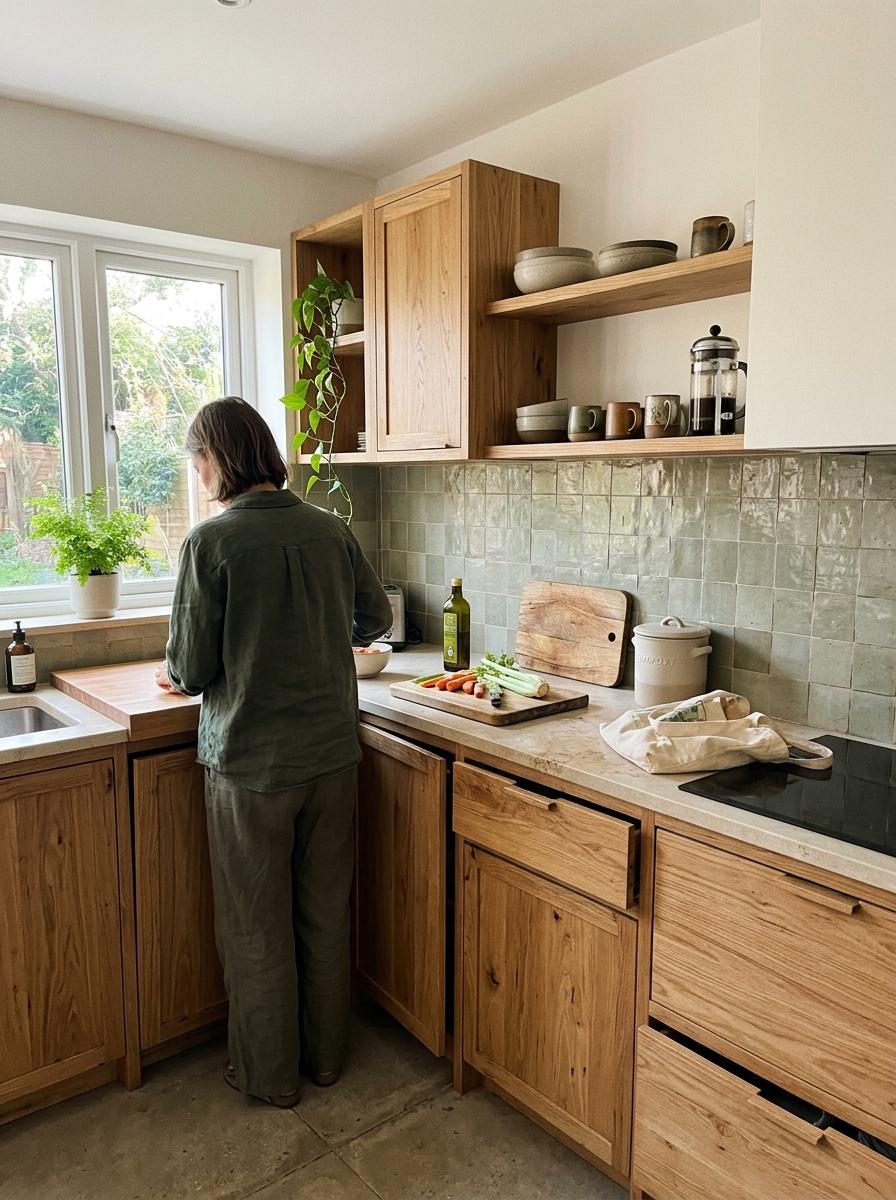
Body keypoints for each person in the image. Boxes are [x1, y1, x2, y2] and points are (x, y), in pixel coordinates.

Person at [156, 395, 392, 1108]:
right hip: (330, 754)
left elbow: (191, 670)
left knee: (255, 922)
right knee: (324, 912)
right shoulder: (329, 528)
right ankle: (325, 1059)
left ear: (216, 458)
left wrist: (175, 671)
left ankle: (269, 1077)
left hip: (251, 765)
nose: (195, 473)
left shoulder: (211, 543)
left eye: (196, 458)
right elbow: (375, 618)